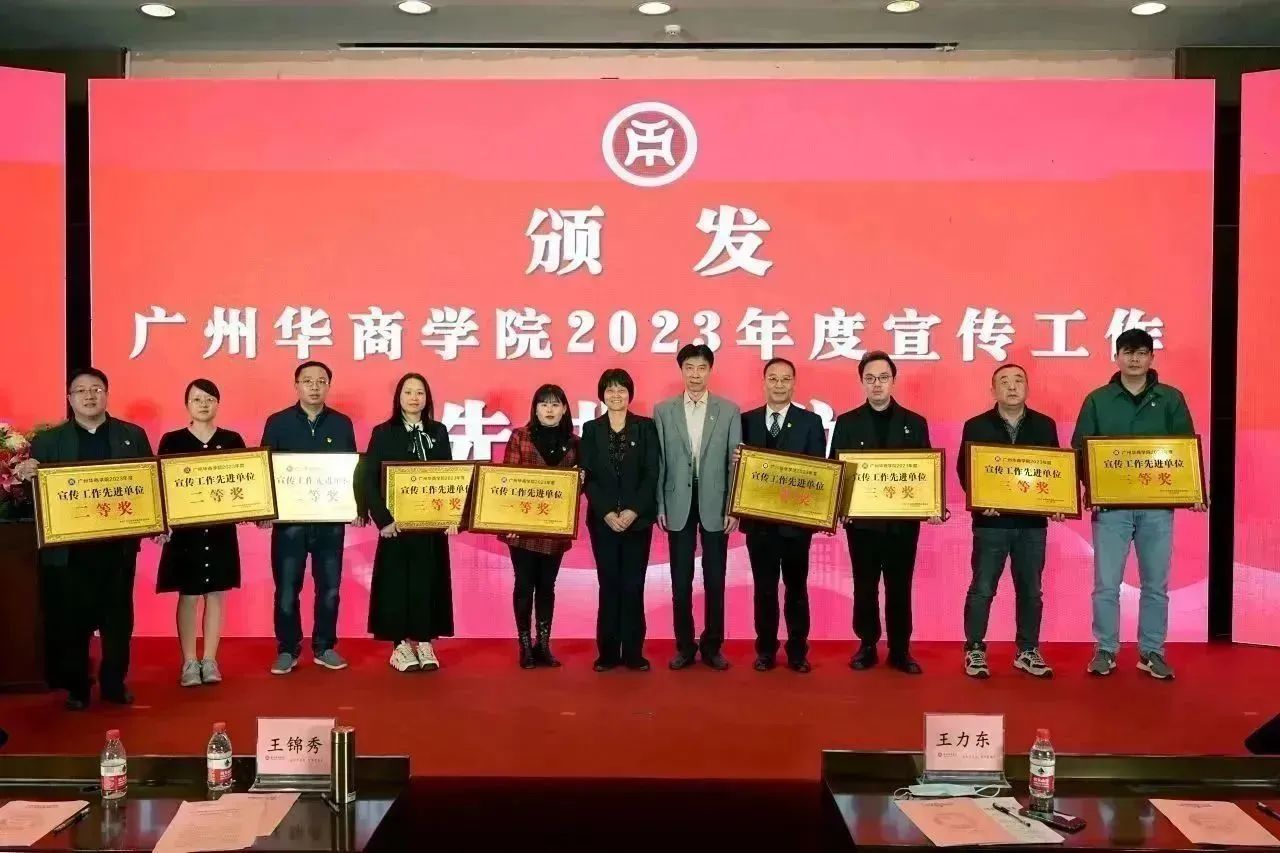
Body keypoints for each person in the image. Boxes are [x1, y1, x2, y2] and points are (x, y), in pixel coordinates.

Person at [17, 368, 152, 710]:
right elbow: (38, 499)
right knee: (71, 622)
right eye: (81, 391)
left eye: (96, 389)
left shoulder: (131, 435)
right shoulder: (49, 441)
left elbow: (148, 486)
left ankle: (114, 684)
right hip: (70, 551)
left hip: (117, 548)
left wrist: (156, 524)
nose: (89, 396)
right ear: (70, 398)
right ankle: (77, 687)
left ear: (106, 394)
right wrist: (27, 477)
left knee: (118, 621)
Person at [1072, 328, 1203, 680]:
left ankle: (1152, 651)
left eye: (1141, 352)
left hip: (1156, 508)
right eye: (1128, 352)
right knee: (1106, 584)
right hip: (1110, 509)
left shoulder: (1171, 398)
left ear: (1151, 358)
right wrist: (1092, 489)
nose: (1134, 359)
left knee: (1156, 584)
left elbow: (1184, 450)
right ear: (1116, 357)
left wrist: (1192, 491)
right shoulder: (1098, 399)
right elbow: (1080, 449)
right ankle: (1106, 649)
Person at [829, 351, 939, 675]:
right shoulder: (847, 422)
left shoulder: (915, 423)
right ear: (862, 382)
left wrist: (932, 504)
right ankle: (867, 644)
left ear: (893, 380)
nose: (876, 384)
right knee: (864, 586)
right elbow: (837, 469)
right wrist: (840, 507)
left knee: (899, 587)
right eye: (870, 378)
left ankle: (900, 649)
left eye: (883, 378)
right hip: (861, 524)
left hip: (901, 525)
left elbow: (925, 474)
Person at [957, 364, 1060, 680]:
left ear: (1027, 387)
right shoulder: (976, 425)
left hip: (1032, 525)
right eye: (1004, 381)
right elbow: (965, 470)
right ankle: (975, 649)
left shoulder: (1044, 425)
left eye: (1018, 381)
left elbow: (1056, 470)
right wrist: (980, 500)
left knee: (1031, 590)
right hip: (991, 524)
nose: (1012, 387)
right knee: (982, 588)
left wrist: (1059, 502)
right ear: (993, 390)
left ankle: (1027, 650)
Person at [260, 361, 359, 675]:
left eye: (321, 381)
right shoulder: (278, 423)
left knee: (329, 589)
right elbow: (264, 470)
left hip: (330, 523)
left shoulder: (342, 424)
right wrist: (263, 511)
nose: (314, 386)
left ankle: (324, 646)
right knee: (287, 590)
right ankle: (287, 649)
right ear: (296, 385)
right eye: (307, 381)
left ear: (329, 385)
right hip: (289, 525)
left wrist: (356, 507)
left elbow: (352, 472)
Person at [654, 343, 742, 671]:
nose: (695, 374)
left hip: (716, 503)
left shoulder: (728, 410)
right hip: (677, 502)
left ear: (710, 371)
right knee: (681, 580)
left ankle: (712, 646)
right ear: (681, 370)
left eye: (701, 368)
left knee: (715, 579)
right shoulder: (664, 411)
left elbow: (735, 463)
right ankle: (685, 646)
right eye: (689, 368)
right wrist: (660, 503)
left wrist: (733, 506)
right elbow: (660, 462)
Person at [360, 373, 456, 673]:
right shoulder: (383, 432)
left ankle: (424, 640)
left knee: (428, 582)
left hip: (430, 527)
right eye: (408, 392)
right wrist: (383, 519)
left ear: (427, 398)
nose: (414, 398)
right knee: (396, 585)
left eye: (420, 393)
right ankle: (399, 645)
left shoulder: (438, 431)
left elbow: (449, 477)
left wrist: (452, 516)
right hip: (396, 527)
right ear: (398, 397)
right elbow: (367, 478)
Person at [156, 379, 244, 688]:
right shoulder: (173, 440)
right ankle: (189, 662)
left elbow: (245, 481)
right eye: (197, 399)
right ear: (187, 405)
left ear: (217, 403)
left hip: (220, 529)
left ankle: (210, 660)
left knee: (216, 593)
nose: (203, 404)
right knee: (189, 594)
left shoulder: (232, 439)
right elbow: (161, 482)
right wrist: (162, 521)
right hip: (186, 532)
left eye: (209, 398)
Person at [739, 357, 825, 673]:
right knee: (764, 590)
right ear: (764, 382)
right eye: (773, 379)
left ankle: (798, 651)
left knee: (796, 589)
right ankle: (765, 650)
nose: (779, 385)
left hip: (795, 525)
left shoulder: (810, 422)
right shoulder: (745, 420)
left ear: (794, 383)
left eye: (785, 379)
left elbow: (818, 472)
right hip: (758, 524)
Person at [580, 369, 660, 672]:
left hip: (637, 522)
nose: (616, 395)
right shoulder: (591, 429)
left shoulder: (645, 427)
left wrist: (633, 511)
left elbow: (652, 474)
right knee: (609, 584)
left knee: (633, 585)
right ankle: (609, 652)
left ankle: (634, 652)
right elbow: (587, 477)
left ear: (630, 394)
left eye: (622, 390)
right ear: (602, 394)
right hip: (603, 522)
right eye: (610, 390)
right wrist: (606, 512)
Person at [501, 384, 580, 669]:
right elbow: (507, 481)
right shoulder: (520, 437)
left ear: (564, 409)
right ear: (535, 408)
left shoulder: (575, 443)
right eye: (544, 404)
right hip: (521, 529)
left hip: (554, 529)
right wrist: (507, 522)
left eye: (555, 404)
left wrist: (580, 479)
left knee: (547, 586)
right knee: (524, 585)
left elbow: (578, 486)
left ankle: (543, 645)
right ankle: (525, 646)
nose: (549, 409)